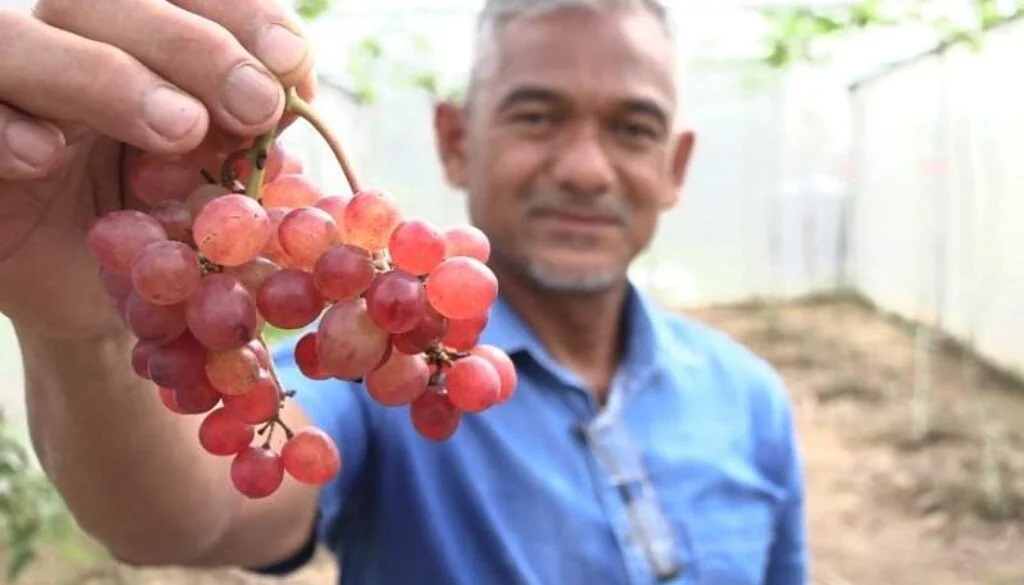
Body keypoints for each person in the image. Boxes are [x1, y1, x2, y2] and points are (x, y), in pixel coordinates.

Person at [0, 0, 807, 583]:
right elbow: (184, 519)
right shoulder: (376, 372)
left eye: (632, 128)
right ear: (455, 141)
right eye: (537, 116)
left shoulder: (752, 398)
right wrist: (81, 334)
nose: (585, 168)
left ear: (677, 166)